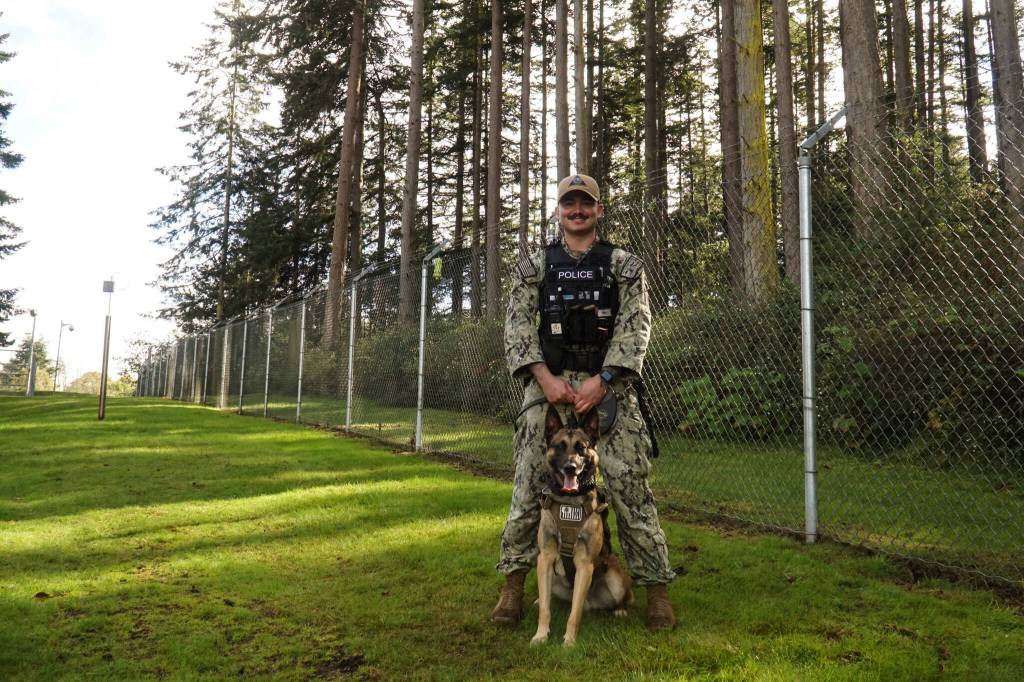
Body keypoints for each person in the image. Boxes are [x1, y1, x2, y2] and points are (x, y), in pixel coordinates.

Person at [492, 173, 677, 631]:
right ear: (557, 210)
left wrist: (606, 379)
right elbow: (516, 325)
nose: (577, 210)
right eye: (569, 203)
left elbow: (637, 326)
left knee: (631, 487)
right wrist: (543, 378)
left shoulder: (624, 266)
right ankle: (513, 587)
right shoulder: (534, 267)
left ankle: (656, 590)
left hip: (606, 385)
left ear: (598, 210)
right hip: (549, 385)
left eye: (586, 203)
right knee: (528, 483)